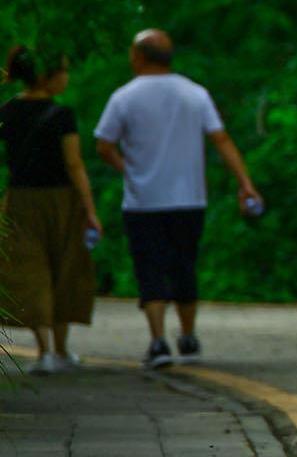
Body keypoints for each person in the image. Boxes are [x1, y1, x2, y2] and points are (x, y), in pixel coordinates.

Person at [93, 30, 262, 369]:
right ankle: (188, 336)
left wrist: (127, 168)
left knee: (149, 268)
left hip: (143, 201)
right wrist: (245, 183)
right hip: (189, 199)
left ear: (139, 56)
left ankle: (158, 342)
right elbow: (221, 139)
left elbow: (103, 145)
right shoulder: (195, 93)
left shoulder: (124, 98)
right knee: (184, 264)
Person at [0, 47, 102, 375]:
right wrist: (89, 209)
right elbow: (74, 164)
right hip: (61, 200)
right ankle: (61, 349)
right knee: (65, 267)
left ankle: (44, 351)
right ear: (46, 77)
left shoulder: (7, 111)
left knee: (30, 270)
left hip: (20, 200)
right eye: (63, 71)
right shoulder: (61, 115)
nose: (66, 78)